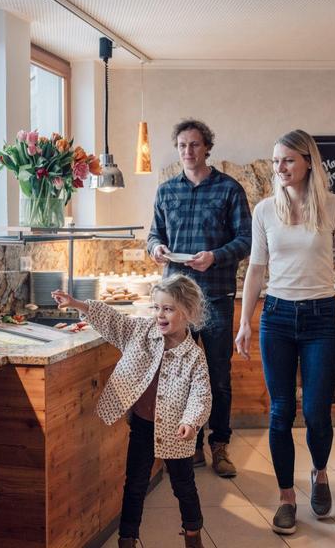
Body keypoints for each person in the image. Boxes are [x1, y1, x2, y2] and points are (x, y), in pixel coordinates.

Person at [234, 129, 335, 535]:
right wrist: (244, 322)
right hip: (276, 317)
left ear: (309, 161)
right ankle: (287, 497)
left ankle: (320, 474)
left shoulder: (334, 207)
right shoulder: (265, 211)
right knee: (280, 412)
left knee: (317, 413)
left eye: (288, 160)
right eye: (275, 161)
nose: (280, 168)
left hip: (322, 317)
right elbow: (256, 269)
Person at [52, 274, 211, 548]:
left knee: (183, 485)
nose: (159, 315)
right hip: (142, 425)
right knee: (135, 484)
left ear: (189, 312)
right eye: (156, 307)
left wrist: (191, 421)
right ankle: (127, 538)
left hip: (177, 431)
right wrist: (77, 303)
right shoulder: (141, 332)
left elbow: (201, 394)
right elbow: (112, 320)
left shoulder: (194, 356)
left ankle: (193, 533)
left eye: (168, 309)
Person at [147, 119, 252, 477]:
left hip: (216, 296)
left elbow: (245, 241)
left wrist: (215, 256)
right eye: (181, 146)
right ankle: (188, 443)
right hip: (175, 302)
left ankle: (220, 446)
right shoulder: (165, 192)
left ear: (207, 148)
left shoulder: (229, 190)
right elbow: (153, 236)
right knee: (179, 376)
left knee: (218, 376)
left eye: (194, 145)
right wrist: (157, 248)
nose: (188, 152)